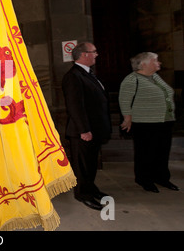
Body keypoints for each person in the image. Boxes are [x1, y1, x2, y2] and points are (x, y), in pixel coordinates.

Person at [119, 52, 179, 193]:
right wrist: (127, 118)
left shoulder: (155, 77)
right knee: (146, 153)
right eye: (155, 60)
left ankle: (162, 178)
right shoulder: (132, 79)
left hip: (164, 121)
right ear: (144, 64)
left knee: (162, 152)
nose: (159, 62)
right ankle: (144, 179)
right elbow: (125, 100)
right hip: (145, 122)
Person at [62, 42, 111, 210]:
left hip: (93, 128)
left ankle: (92, 188)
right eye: (94, 51)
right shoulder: (73, 76)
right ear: (83, 55)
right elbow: (75, 106)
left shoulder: (88, 73)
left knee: (91, 164)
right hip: (82, 131)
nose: (96, 54)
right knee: (82, 166)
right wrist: (84, 130)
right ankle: (83, 194)